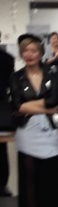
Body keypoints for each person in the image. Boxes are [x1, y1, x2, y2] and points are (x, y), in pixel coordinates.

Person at [9, 35, 58, 207]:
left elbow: (56, 101)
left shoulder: (53, 73)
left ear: (41, 52)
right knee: (30, 179)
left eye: (33, 50)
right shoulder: (16, 77)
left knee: (50, 178)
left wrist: (32, 106)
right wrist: (46, 107)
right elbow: (18, 106)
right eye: (25, 51)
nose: (29, 54)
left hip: (49, 132)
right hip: (27, 133)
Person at [0, 31, 15, 196]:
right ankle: (2, 184)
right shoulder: (7, 58)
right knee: (1, 148)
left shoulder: (7, 58)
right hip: (2, 105)